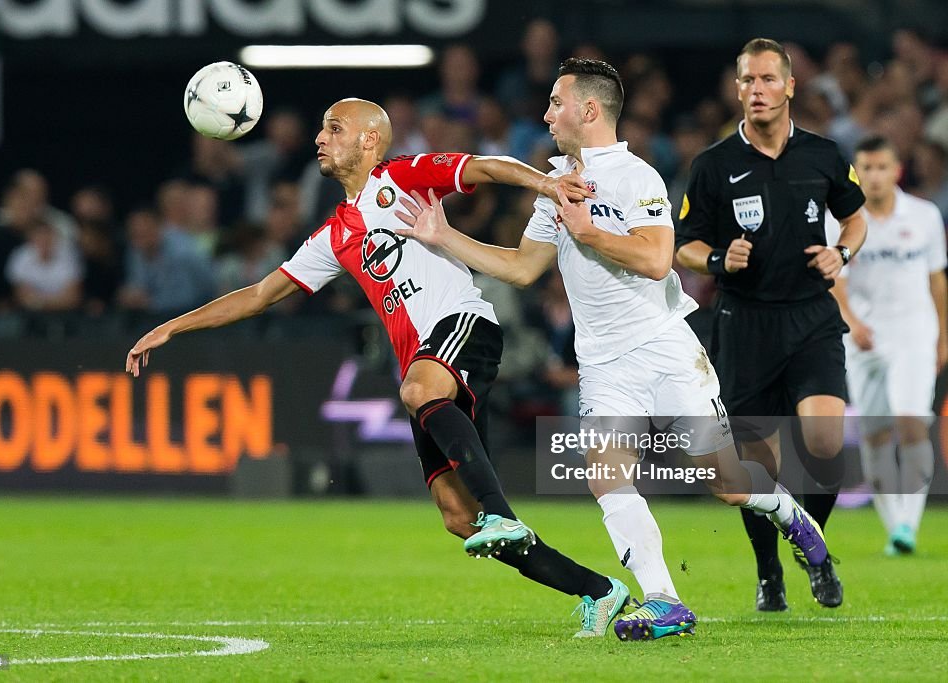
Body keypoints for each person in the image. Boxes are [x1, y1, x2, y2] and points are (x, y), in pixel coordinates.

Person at [126, 98, 631, 638]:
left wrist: (546, 185)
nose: (321, 138)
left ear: (369, 141)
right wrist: (174, 326)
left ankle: (500, 511)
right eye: (321, 128)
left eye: (334, 128)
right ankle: (599, 591)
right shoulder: (335, 235)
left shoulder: (403, 177)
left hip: (463, 325)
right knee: (458, 519)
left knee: (417, 391)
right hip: (426, 362)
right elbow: (258, 294)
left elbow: (484, 166)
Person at [395, 58, 827, 642]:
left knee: (726, 483)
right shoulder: (556, 185)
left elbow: (655, 260)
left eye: (555, 102)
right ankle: (665, 601)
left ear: (589, 110)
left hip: (665, 349)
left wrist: (589, 231)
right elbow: (523, 269)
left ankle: (785, 510)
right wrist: (445, 237)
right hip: (601, 362)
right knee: (605, 475)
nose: (546, 114)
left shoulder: (636, 177)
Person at [675, 38, 868, 611]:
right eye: (746, 81)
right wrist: (715, 260)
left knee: (826, 445)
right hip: (744, 324)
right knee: (757, 468)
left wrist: (844, 254)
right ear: (737, 90)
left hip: (811, 315)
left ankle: (815, 547)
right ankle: (769, 575)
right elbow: (683, 245)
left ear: (789, 87)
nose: (756, 90)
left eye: (766, 79)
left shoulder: (825, 155)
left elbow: (855, 218)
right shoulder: (713, 165)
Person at [831, 135, 946, 555]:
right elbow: (833, 281)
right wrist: (853, 323)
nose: (874, 176)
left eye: (882, 167)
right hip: (863, 339)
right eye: (867, 168)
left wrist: (943, 338)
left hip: (915, 333)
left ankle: (908, 527)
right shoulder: (843, 221)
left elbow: (937, 280)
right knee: (876, 435)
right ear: (857, 172)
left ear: (896, 171)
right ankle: (893, 524)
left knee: (911, 421)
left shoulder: (924, 216)